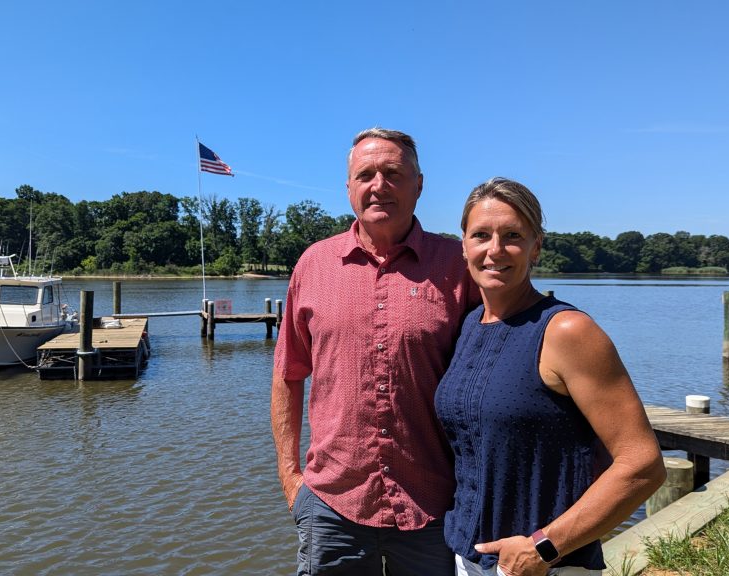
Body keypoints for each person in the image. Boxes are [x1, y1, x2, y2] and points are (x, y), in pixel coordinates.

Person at [271, 127, 481, 575]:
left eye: (393, 173)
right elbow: (289, 375)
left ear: (419, 185)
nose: (378, 185)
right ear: (348, 187)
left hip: (435, 502)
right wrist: (291, 479)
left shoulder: (460, 267)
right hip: (333, 501)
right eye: (365, 174)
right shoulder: (313, 265)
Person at [434, 177, 666, 576]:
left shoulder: (566, 331)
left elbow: (642, 465)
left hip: (546, 565)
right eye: (481, 235)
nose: (494, 250)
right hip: (470, 558)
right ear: (464, 246)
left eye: (512, 236)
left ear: (535, 247)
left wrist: (543, 547)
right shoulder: (471, 324)